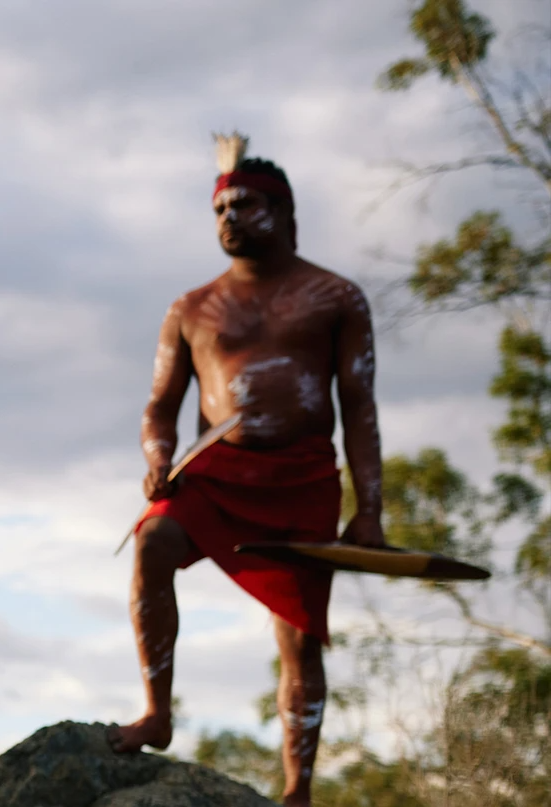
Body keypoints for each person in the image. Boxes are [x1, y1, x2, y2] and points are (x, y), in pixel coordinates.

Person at [110, 134, 383, 807]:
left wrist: (370, 508)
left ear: (287, 217)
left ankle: (298, 787)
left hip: (303, 474)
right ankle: (157, 711)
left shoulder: (335, 296)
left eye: (248, 205)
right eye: (221, 208)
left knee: (298, 637)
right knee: (152, 541)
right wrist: (158, 463)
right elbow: (158, 407)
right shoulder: (190, 308)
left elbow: (359, 404)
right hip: (217, 470)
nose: (230, 217)